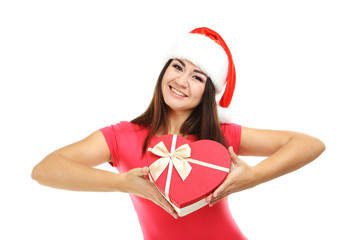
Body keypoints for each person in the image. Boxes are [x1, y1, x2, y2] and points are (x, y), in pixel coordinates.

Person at [31, 27, 325, 240]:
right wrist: (124, 183)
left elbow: (309, 144)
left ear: (208, 91)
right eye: (178, 67)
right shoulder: (121, 137)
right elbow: (45, 170)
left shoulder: (222, 137)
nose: (182, 81)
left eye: (197, 77)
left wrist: (253, 177)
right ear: (164, 71)